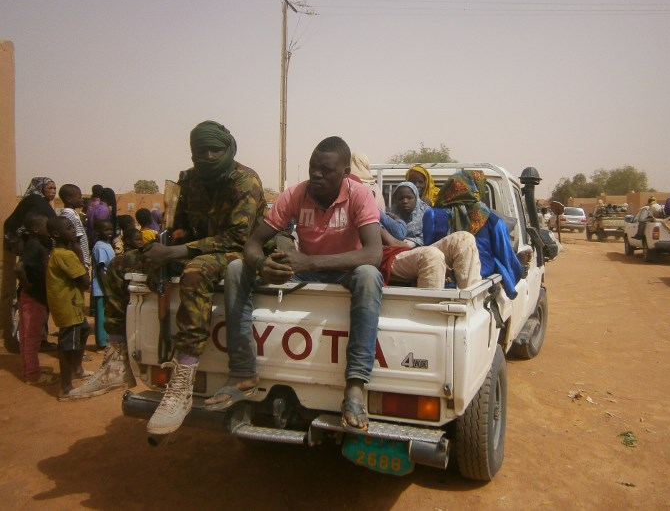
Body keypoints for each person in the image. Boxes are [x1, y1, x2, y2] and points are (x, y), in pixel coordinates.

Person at [69, 121, 265, 439]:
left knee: (194, 273)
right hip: (195, 247)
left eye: (215, 149)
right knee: (120, 265)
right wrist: (167, 246)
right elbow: (181, 226)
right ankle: (117, 361)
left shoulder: (245, 180)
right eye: (201, 151)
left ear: (229, 148)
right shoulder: (189, 181)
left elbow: (238, 236)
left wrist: (177, 250)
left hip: (240, 252)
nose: (209, 156)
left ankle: (182, 383)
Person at [221, 136, 382, 433]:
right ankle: (242, 372)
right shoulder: (294, 194)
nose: (316, 175)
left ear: (346, 173)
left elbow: (373, 254)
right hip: (304, 270)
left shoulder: (360, 195)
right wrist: (262, 264)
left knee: (369, 276)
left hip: (341, 270)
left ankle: (356, 385)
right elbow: (253, 245)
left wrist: (309, 262)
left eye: (326, 170)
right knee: (235, 269)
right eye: (312, 167)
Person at [423, 170, 523, 299]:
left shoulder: (431, 214)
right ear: (477, 188)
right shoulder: (491, 218)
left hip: (441, 278)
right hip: (480, 279)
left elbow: (429, 249)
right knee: (498, 259)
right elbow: (504, 253)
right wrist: (516, 272)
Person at [379, 181, 481, 289]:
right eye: (401, 198)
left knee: (464, 238)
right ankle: (431, 304)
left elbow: (429, 239)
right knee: (432, 254)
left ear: (416, 198)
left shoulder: (426, 213)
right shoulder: (388, 216)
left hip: (418, 249)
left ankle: (468, 296)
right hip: (395, 254)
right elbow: (393, 242)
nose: (405, 201)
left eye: (409, 198)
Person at [46, 216, 91, 400]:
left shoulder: (58, 253)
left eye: (73, 227)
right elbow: (85, 281)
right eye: (69, 228)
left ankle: (77, 369)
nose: (73, 230)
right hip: (69, 307)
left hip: (73, 305)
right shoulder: (66, 255)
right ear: (57, 233)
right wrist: (79, 251)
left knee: (84, 331)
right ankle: (66, 387)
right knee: (67, 346)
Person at [14, 213, 57, 385]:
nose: (50, 229)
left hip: (37, 296)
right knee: (30, 337)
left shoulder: (37, 245)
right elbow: (18, 268)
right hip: (32, 297)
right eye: (47, 226)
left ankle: (32, 369)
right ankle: (32, 375)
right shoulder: (33, 246)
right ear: (36, 229)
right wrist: (27, 285)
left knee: (32, 335)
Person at [4, 177, 57, 252]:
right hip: (30, 241)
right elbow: (53, 220)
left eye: (54, 189)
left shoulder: (39, 201)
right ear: (40, 188)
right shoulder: (36, 200)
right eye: (50, 188)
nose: (53, 191)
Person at [91, 219, 115, 350]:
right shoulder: (100, 246)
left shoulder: (106, 244)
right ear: (97, 231)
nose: (109, 233)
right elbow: (100, 270)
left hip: (107, 285)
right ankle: (102, 342)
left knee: (106, 314)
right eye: (106, 230)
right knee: (102, 315)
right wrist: (106, 289)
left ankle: (106, 339)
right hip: (102, 287)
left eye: (111, 230)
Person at [58, 184, 90, 270]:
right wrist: (82, 264)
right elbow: (74, 240)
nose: (82, 199)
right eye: (79, 197)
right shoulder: (69, 214)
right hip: (77, 259)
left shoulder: (73, 213)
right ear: (69, 199)